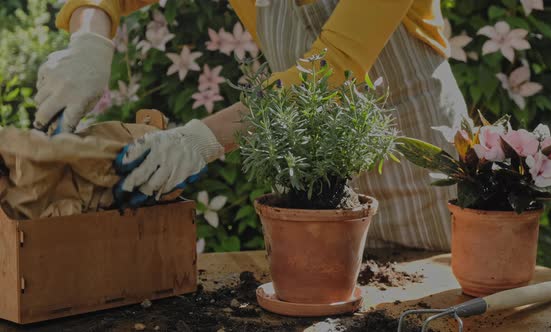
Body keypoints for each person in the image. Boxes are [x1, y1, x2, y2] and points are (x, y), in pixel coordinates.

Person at [36, 0, 468, 251]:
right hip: (319, 170)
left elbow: (331, 70)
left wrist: (201, 138)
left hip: (418, 161)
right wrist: (89, 39)